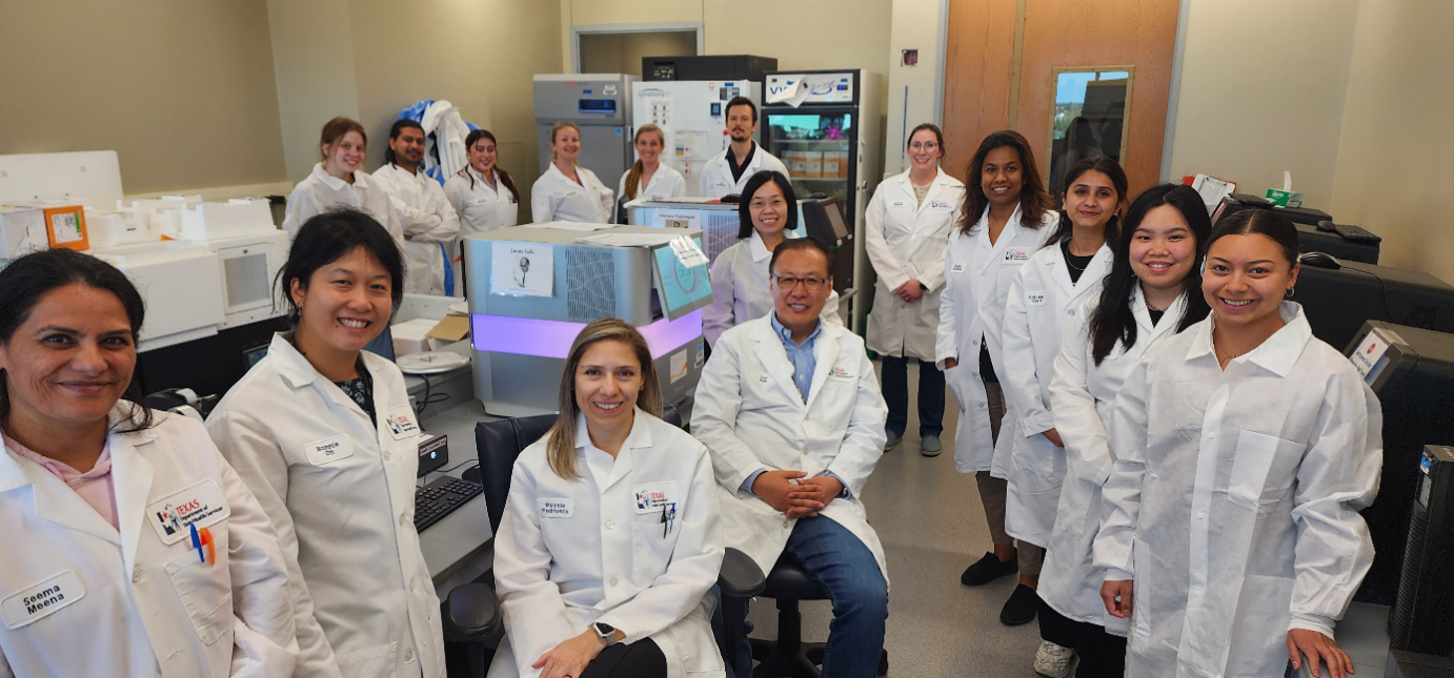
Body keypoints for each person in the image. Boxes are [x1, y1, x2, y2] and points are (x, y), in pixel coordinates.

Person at [1094, 209, 1382, 678]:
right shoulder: (1167, 362)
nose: (1235, 285)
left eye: (1259, 270)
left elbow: (1331, 507)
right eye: (1221, 267)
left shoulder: (1328, 380)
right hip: (1161, 585)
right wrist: (1117, 563)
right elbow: (1132, 470)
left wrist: (1314, 613)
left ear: (1292, 275)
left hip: (1254, 611)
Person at [0, 249, 299, 677]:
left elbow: (262, 583)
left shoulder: (183, 438)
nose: (92, 362)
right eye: (58, 339)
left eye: (113, 341)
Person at [207, 209, 445, 678]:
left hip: (416, 638)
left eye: (378, 287)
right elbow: (271, 580)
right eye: (342, 282)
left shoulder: (387, 378)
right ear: (298, 289)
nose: (362, 301)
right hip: (337, 659)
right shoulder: (249, 415)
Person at [1033, 184, 1212, 678]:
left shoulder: (1216, 319)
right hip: (1098, 474)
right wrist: (1107, 469)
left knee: (1148, 625)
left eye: (1174, 237)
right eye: (1144, 236)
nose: (1157, 250)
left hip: (1172, 487)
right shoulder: (1100, 309)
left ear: (1200, 244)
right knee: (1087, 605)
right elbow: (1067, 387)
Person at [693, 237, 890, 678]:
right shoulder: (736, 344)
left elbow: (869, 427)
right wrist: (760, 479)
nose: (798, 290)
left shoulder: (851, 349)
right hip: (748, 500)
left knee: (866, 595)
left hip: (823, 502)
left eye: (811, 280)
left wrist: (834, 480)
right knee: (713, 595)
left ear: (828, 287)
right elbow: (708, 425)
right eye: (788, 279)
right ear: (771, 284)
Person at [490, 318, 725, 678]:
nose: (609, 388)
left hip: (658, 624)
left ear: (643, 378)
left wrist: (600, 635)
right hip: (560, 624)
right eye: (594, 373)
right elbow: (521, 579)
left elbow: (694, 570)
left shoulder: (685, 454)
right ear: (573, 379)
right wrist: (556, 654)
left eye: (625, 373)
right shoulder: (536, 464)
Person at [998, 155, 1126, 628]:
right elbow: (1015, 349)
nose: (1090, 201)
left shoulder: (1126, 270)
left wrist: (1075, 422)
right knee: (1036, 509)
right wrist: (1039, 416)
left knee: (1091, 522)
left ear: (1117, 204)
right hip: (1041, 420)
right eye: (1081, 192)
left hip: (1100, 424)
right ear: (1064, 200)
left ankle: (1079, 611)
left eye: (1103, 193)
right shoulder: (1036, 267)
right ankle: (1031, 587)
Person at [935, 130, 1058, 603]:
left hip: (1022, 375)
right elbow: (950, 299)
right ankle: (1002, 552)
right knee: (986, 466)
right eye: (991, 169)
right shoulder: (964, 228)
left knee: (1023, 471)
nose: (1000, 177)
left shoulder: (1046, 227)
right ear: (978, 175)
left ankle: (1031, 576)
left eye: (1010, 168)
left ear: (1024, 173)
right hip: (973, 368)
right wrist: (948, 354)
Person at [864, 123, 963, 457]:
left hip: (933, 291)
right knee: (892, 361)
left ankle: (931, 429)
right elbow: (873, 238)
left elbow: (959, 244)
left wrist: (922, 282)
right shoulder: (887, 189)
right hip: (893, 291)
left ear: (940, 150)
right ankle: (893, 425)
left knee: (931, 363)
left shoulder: (956, 192)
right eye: (916, 144)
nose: (922, 151)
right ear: (908, 149)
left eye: (930, 145)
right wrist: (898, 281)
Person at [701, 170, 841, 348]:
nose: (768, 210)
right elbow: (716, 321)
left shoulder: (811, 255)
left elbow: (829, 312)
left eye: (776, 202)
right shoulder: (730, 260)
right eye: (758, 203)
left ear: (789, 205)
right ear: (747, 210)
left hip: (807, 356)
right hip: (750, 362)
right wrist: (736, 360)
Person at [371, 119, 462, 295]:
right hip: (405, 277)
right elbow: (404, 219)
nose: (415, 145)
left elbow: (452, 225)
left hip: (434, 276)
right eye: (408, 140)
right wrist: (436, 220)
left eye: (420, 142)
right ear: (392, 143)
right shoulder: (380, 180)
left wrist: (420, 236)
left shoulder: (432, 184)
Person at [281, 116, 403, 246]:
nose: (354, 153)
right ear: (326, 148)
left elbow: (394, 235)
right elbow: (295, 245)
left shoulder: (372, 186)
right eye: (346, 146)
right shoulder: (307, 192)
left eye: (359, 148)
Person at [444, 129, 521, 295]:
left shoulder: (506, 179)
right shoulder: (456, 185)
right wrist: (458, 261)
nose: (486, 155)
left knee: (504, 311)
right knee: (474, 312)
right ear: (467, 151)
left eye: (490, 149)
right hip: (474, 263)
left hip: (507, 259)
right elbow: (449, 232)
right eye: (479, 149)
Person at [699, 97, 790, 198]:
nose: (738, 123)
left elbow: (785, 209)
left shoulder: (775, 168)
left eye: (744, 119)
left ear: (754, 126)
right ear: (726, 124)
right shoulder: (710, 169)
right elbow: (704, 209)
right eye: (733, 118)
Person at [531, 122, 614, 224]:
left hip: (598, 236)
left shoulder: (588, 175)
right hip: (568, 239)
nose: (571, 144)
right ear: (553, 145)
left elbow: (607, 198)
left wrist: (601, 220)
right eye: (564, 140)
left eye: (575, 139)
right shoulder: (544, 185)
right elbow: (542, 226)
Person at [616, 124, 685, 220]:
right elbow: (620, 217)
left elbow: (681, 219)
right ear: (636, 145)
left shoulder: (675, 179)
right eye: (643, 143)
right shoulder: (627, 176)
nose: (648, 149)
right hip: (632, 234)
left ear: (662, 147)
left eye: (653, 144)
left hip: (664, 234)